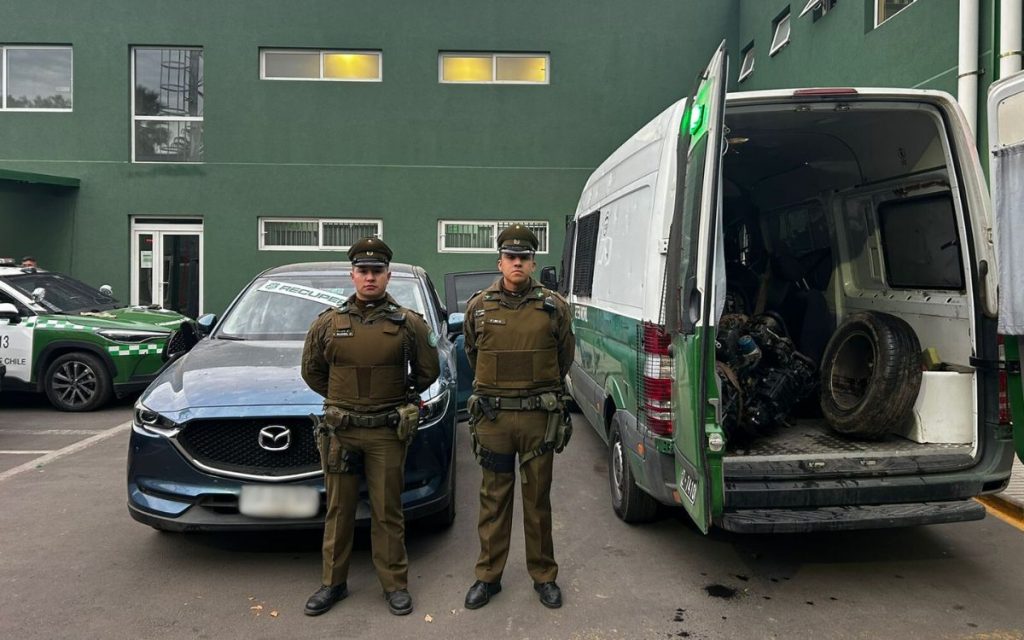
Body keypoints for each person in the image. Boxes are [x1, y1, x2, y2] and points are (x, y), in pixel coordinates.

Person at [300, 236, 440, 617]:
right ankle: (333, 584)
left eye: (377, 271)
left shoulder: (408, 323)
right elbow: (311, 371)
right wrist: (344, 398)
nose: (370, 277)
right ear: (353, 275)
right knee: (339, 510)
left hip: (385, 433)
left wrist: (401, 395)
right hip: (341, 431)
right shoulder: (329, 323)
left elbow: (430, 370)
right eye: (363, 271)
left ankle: (394, 585)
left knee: (387, 510)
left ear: (388, 275)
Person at [462, 224, 575, 610]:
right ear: (500, 262)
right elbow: (473, 355)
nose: (517, 263)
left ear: (532, 262)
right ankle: (487, 577)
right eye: (510, 257)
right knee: (493, 500)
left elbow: (564, 358)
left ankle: (544, 576)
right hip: (494, 421)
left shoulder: (553, 307)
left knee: (537, 501)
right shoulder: (479, 306)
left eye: (524, 258)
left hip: (537, 421)